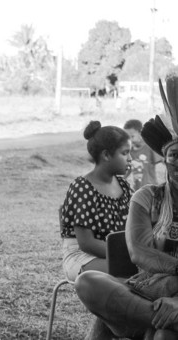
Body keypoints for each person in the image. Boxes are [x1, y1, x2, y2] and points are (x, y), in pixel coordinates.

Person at [76, 76, 178, 340]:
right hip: (148, 291)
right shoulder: (147, 197)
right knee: (89, 282)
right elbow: (139, 252)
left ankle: (163, 322)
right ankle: (165, 320)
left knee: (162, 336)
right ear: (165, 159)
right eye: (175, 155)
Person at [60, 121, 133, 282]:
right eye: (125, 153)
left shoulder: (124, 186)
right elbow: (87, 243)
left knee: (143, 273)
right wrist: (127, 256)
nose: (130, 159)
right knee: (129, 277)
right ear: (106, 155)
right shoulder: (83, 187)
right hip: (82, 255)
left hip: (117, 253)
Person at [125, 119, 163, 190]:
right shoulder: (129, 152)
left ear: (140, 134)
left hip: (151, 188)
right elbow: (128, 170)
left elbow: (162, 164)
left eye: (132, 136)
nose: (130, 140)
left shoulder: (150, 147)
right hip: (137, 190)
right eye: (127, 137)